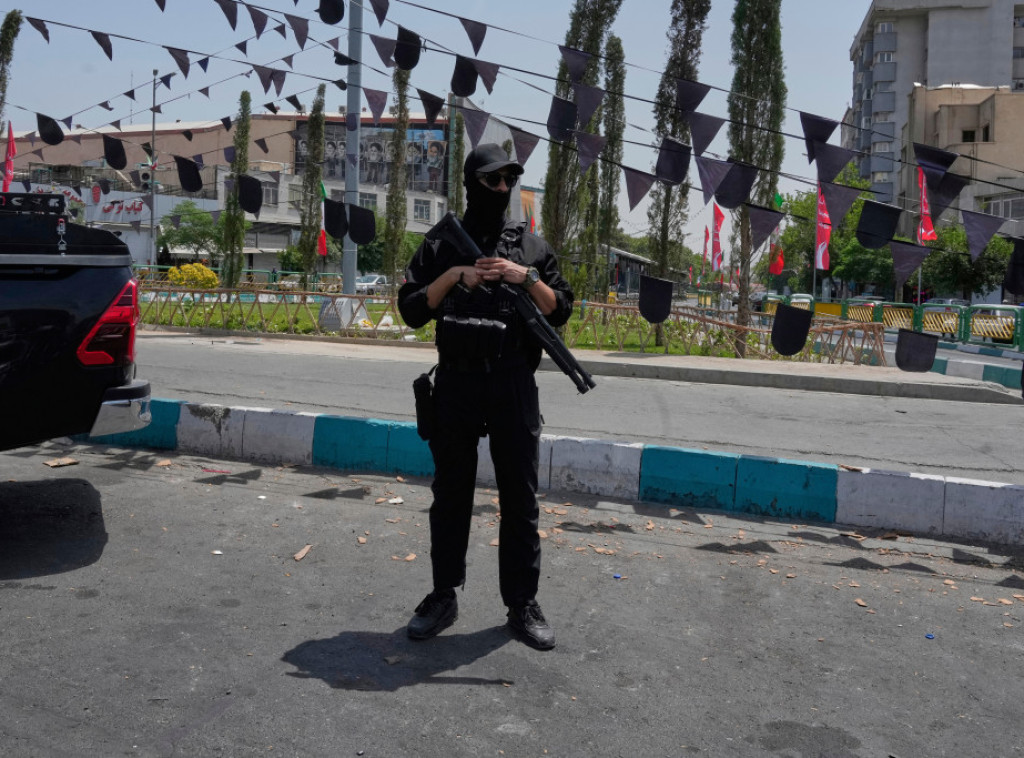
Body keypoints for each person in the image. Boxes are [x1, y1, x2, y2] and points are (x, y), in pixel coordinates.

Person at [397, 143, 573, 651]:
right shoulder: (441, 243)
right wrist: (454, 276)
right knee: (451, 494)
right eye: (492, 180)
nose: (501, 188)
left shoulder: (531, 247)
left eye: (508, 180)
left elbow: (561, 308)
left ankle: (522, 603)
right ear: (472, 183)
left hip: (512, 382)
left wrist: (525, 276)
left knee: (520, 498)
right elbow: (411, 309)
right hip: (456, 382)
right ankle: (443, 596)